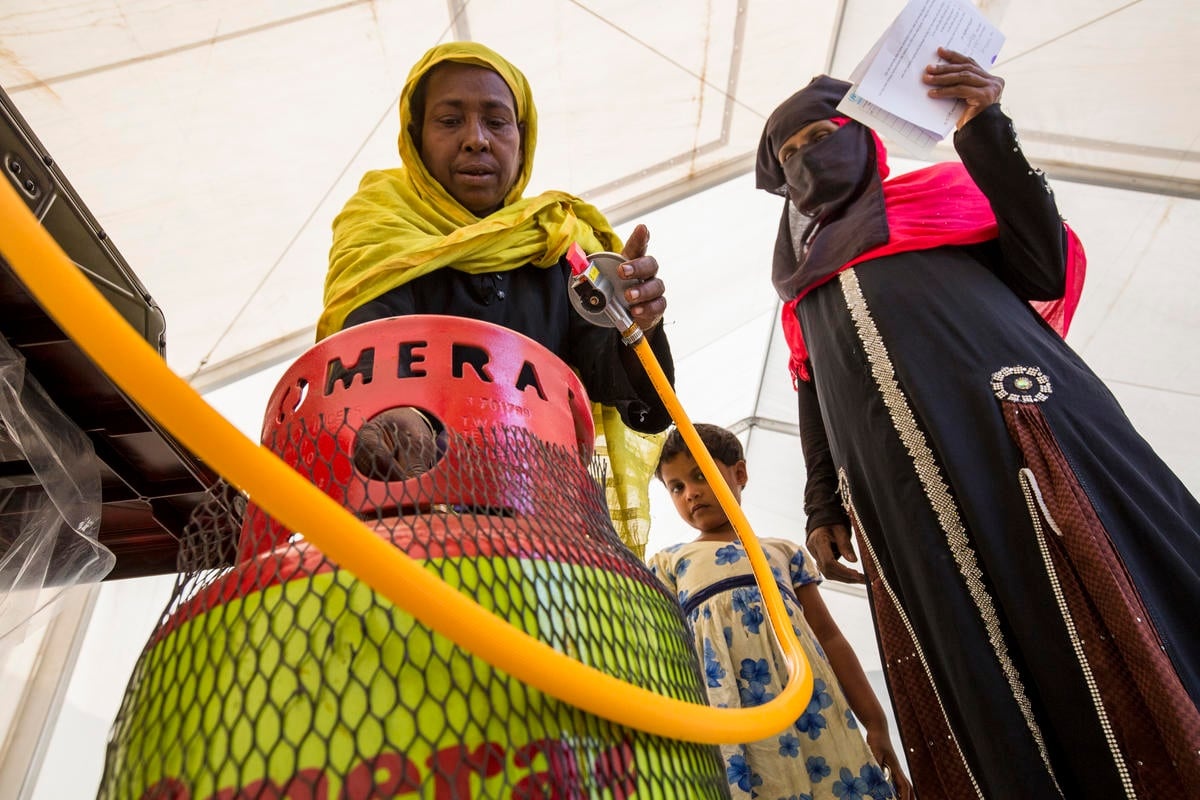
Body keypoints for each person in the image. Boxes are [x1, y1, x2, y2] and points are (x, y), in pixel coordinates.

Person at [755, 48, 1200, 798]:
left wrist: (984, 127)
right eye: (790, 154)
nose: (809, 158)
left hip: (1015, 443)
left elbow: (1045, 267)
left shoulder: (950, 195)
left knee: (1084, 602)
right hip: (902, 496)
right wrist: (824, 502)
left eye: (824, 134)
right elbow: (812, 393)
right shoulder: (799, 287)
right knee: (975, 652)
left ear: (864, 133)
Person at [317, 42, 674, 556]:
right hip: (404, 538)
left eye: (497, 122)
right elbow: (366, 358)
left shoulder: (561, 247)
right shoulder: (380, 230)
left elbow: (645, 405)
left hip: (548, 543)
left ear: (522, 139)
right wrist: (394, 417)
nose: (475, 140)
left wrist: (636, 322)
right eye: (448, 120)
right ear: (415, 139)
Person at [647, 423, 911, 800]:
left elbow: (831, 639)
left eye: (701, 475)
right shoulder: (669, 564)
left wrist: (876, 723)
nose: (690, 493)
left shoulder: (784, 553)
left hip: (815, 716)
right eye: (676, 487)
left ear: (739, 473)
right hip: (735, 728)